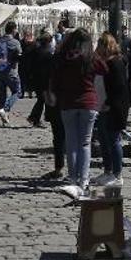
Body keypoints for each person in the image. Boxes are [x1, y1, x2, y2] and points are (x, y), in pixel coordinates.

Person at [50, 28, 107, 199]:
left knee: (71, 142)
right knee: (84, 143)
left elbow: (54, 78)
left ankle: (73, 178)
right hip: (89, 103)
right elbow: (105, 70)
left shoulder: (63, 58)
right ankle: (84, 180)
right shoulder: (91, 58)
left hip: (68, 103)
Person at [93, 33, 129, 187]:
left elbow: (119, 87)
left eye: (101, 44)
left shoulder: (115, 63)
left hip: (113, 107)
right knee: (104, 139)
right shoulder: (104, 62)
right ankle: (108, 170)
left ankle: (117, 173)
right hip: (102, 105)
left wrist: (110, 103)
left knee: (113, 140)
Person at [31, 33, 62, 180]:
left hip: (51, 98)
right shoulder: (50, 57)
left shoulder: (47, 55)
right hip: (61, 101)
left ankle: (59, 167)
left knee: (59, 137)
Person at [0, 20, 23, 126]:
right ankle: (4, 109)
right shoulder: (15, 42)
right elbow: (19, 55)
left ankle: (4, 118)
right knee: (17, 91)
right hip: (9, 70)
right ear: (14, 29)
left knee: (2, 93)